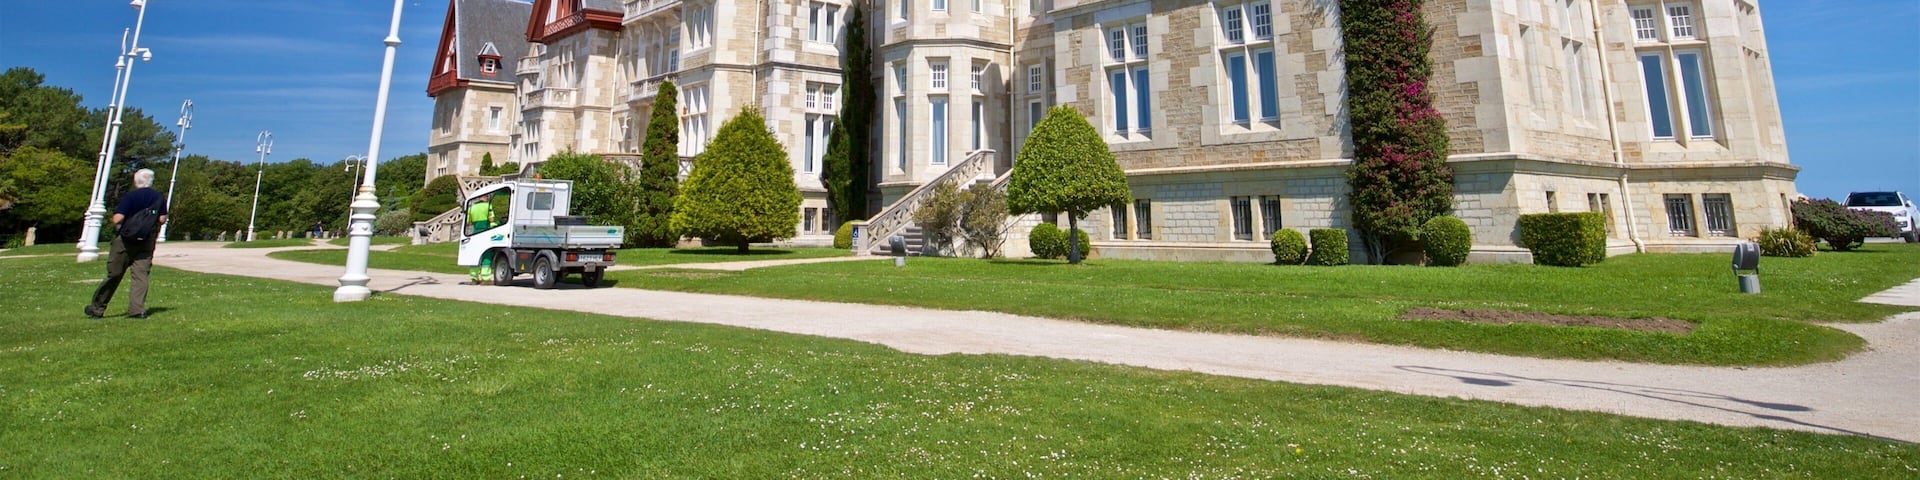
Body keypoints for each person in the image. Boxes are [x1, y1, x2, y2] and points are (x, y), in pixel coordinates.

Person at [87, 169, 168, 319]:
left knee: (114, 274)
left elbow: (117, 218)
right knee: (141, 276)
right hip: (146, 241)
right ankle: (137, 310)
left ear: (136, 181)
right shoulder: (159, 197)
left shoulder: (131, 196)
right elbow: (162, 219)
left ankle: (97, 308)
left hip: (125, 240)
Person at [466, 196, 494, 284]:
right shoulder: (488, 206)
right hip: (485, 231)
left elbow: (468, 221)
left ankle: (474, 277)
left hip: (475, 232)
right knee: (486, 255)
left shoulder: (472, 207)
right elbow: (491, 219)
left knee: (475, 254)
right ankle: (486, 278)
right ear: (486, 197)